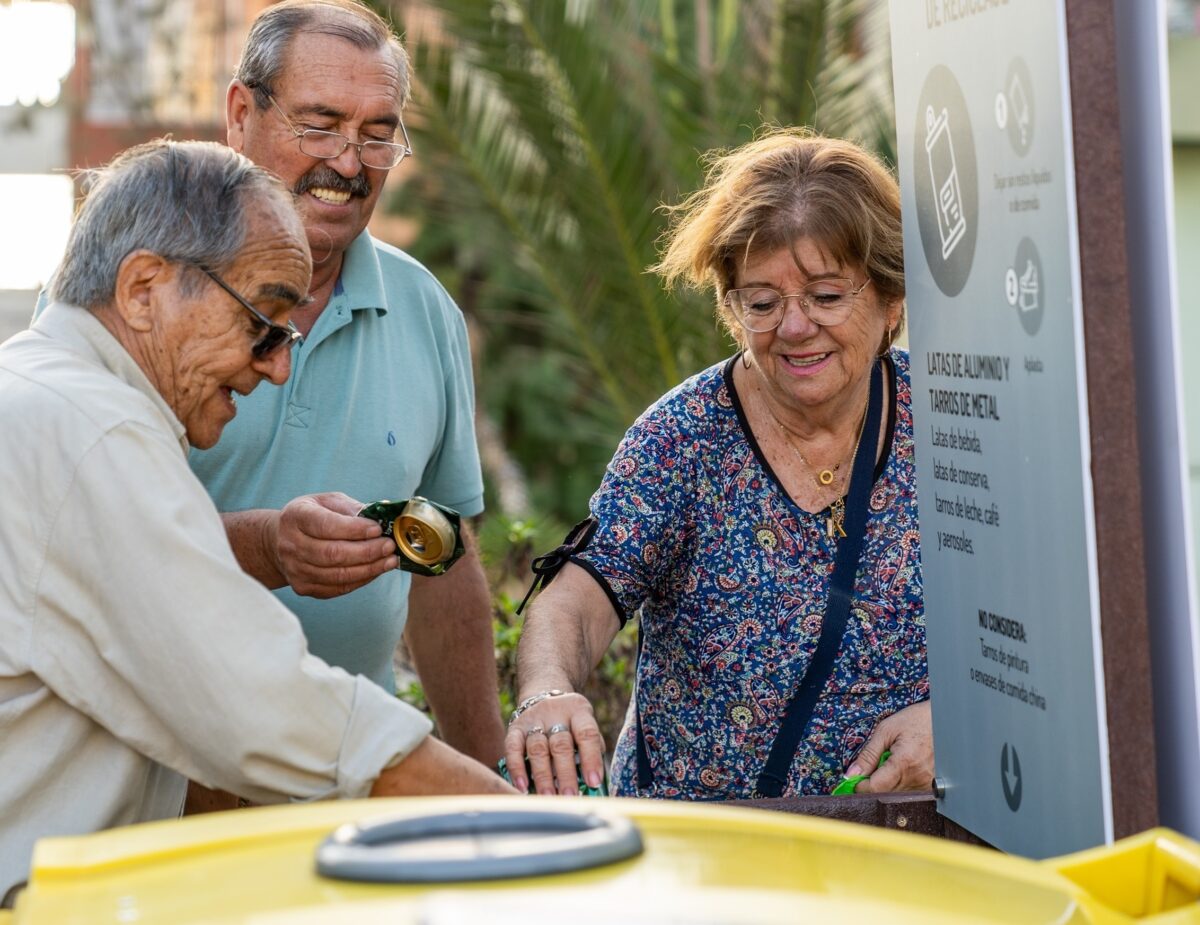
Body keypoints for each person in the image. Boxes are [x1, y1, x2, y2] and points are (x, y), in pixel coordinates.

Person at [0, 139, 512, 903]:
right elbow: (264, 708)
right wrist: (518, 824)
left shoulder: (44, 392)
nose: (276, 366)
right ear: (144, 288)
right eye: (264, 322)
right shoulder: (92, 431)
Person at [504, 129, 932, 799]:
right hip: (700, 864)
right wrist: (546, 692)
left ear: (890, 301)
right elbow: (580, 594)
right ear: (730, 309)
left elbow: (1039, 626)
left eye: (825, 296)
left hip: (894, 861)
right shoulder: (682, 438)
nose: (793, 327)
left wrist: (958, 726)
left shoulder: (949, 429)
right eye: (761, 302)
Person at [186, 0, 504, 767]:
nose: (349, 163)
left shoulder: (424, 307)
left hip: (348, 768)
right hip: (163, 770)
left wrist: (491, 778)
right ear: (240, 114)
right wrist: (269, 545)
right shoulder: (143, 292)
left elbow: (441, 556)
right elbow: (87, 541)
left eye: (377, 133)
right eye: (320, 124)